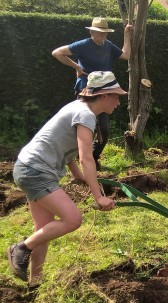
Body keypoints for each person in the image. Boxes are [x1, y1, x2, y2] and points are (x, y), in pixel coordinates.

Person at [7, 71, 124, 287]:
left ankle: (35, 284)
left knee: (43, 229)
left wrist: (79, 177)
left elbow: (68, 151)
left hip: (29, 168)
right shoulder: (86, 115)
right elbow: (86, 158)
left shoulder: (78, 109)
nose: (118, 101)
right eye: (116, 96)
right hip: (36, 171)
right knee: (73, 220)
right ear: (104, 95)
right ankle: (20, 248)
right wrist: (98, 196)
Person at [52, 17, 133, 170]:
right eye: (97, 33)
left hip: (104, 92)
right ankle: (73, 160)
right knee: (82, 127)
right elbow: (57, 53)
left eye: (104, 33)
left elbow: (125, 55)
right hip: (86, 90)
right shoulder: (84, 44)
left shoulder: (108, 46)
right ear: (91, 31)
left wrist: (127, 34)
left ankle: (93, 159)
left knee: (104, 129)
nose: (101, 36)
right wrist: (77, 67)